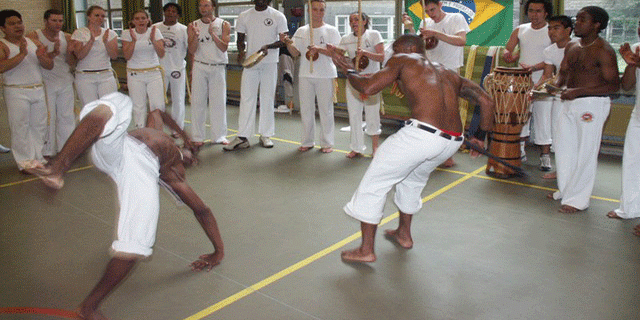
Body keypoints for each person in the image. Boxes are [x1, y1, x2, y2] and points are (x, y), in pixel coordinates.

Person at [27, 92, 224, 319]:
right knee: (120, 103)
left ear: (189, 164)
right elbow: (157, 113)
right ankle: (57, 168)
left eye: (192, 158)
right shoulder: (161, 134)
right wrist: (185, 135)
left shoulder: (173, 174)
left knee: (137, 243)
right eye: (191, 153)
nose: (191, 156)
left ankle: (88, 307)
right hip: (119, 146)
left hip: (139, 169)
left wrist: (218, 251)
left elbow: (202, 210)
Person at [332, 34, 494, 263]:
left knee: (374, 183)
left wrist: (349, 69)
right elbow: (486, 101)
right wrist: (479, 136)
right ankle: (404, 234)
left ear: (408, 48)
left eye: (394, 49)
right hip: (451, 142)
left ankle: (366, 250)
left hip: (422, 136)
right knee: (412, 180)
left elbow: (368, 88)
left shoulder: (404, 59)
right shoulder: (448, 72)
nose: (391, 55)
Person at [548, 6, 620, 213]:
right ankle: (566, 190)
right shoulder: (572, 46)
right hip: (569, 101)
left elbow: (614, 85)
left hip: (592, 104)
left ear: (596, 25)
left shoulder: (604, 50)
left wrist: (578, 91)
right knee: (564, 149)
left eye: (582, 20)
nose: (576, 23)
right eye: (577, 19)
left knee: (585, 152)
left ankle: (578, 200)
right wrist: (549, 87)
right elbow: (562, 75)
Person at [403, 0, 470, 167]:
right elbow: (422, 46)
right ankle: (432, 151)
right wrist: (411, 29)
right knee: (432, 112)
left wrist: (435, 33)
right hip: (431, 70)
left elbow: (461, 41)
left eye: (433, 9)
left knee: (448, 112)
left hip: (450, 70)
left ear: (440, 4)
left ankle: (448, 155)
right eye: (427, 11)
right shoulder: (427, 22)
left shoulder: (455, 18)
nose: (431, 14)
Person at [225, 0, 288, 150]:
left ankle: (265, 135)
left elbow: (284, 41)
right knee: (247, 98)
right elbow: (240, 39)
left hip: (270, 63)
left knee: (267, 98)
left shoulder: (278, 16)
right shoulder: (244, 16)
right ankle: (243, 137)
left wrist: (268, 46)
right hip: (250, 63)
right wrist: (241, 52)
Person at [284, 0, 341, 153]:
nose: (318, 13)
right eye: (315, 9)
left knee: (326, 109)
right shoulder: (302, 31)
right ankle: (307, 141)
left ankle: (327, 143)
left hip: (325, 74)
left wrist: (319, 50)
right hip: (305, 74)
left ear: (324, 11)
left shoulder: (332, 30)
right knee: (306, 109)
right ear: (309, 11)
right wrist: (288, 42)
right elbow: (295, 53)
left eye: (321, 10)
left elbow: (337, 53)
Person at [0, 10, 53, 171]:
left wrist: (43, 56)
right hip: (16, 91)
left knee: (39, 125)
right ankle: (25, 162)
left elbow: (49, 66)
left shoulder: (32, 41)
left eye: (19, 22)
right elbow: (2, 67)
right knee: (20, 127)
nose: (18, 26)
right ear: (3, 28)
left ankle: (38, 157)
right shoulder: (3, 45)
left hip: (37, 88)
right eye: (12, 23)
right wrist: (22, 53)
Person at [503, 0, 552, 168]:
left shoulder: (552, 31)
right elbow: (508, 49)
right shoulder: (520, 29)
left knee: (544, 120)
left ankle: (545, 156)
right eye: (531, 10)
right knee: (521, 118)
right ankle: (520, 150)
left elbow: (556, 58)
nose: (534, 14)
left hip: (545, 81)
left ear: (546, 13)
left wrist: (535, 68)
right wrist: (508, 54)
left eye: (538, 11)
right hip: (522, 82)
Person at [328, 12, 384, 158]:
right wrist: (331, 51)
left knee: (372, 114)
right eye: (351, 20)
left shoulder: (374, 35)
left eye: (357, 19)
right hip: (354, 80)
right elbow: (338, 56)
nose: (353, 22)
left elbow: (381, 57)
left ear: (365, 21)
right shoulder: (346, 39)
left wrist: (365, 53)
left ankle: (375, 146)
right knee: (354, 114)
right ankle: (357, 147)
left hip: (371, 80)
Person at [27, 9, 76, 158]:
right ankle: (47, 150)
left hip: (65, 80)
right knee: (48, 117)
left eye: (60, 21)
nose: (58, 24)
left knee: (67, 116)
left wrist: (70, 52)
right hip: (46, 81)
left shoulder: (66, 37)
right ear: (46, 21)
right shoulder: (34, 36)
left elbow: (71, 62)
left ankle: (66, 148)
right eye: (54, 20)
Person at [532, 15, 573, 180]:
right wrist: (535, 91)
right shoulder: (549, 50)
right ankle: (561, 171)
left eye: (556, 28)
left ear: (568, 30)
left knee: (571, 135)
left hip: (578, 96)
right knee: (559, 133)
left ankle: (572, 173)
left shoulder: (578, 46)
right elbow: (547, 76)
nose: (551, 32)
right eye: (550, 28)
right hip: (559, 95)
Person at [607, 20, 640, 222]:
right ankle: (629, 208)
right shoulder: (636, 48)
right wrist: (631, 66)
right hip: (638, 115)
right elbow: (627, 86)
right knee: (631, 162)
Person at [188, 0, 231, 148]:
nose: (203, 8)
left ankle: (219, 136)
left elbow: (224, 47)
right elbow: (192, 50)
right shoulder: (193, 25)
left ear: (213, 7)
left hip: (218, 67)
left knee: (218, 102)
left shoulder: (224, 24)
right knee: (197, 102)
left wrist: (213, 34)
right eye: (200, 6)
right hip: (200, 66)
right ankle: (197, 136)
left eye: (206, 5)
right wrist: (195, 36)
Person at [121, 10, 165, 128]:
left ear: (147, 20)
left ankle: (157, 131)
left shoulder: (155, 32)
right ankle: (140, 130)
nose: (140, 21)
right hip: (135, 74)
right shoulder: (127, 33)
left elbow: (161, 53)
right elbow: (127, 56)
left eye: (143, 18)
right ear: (133, 21)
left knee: (157, 105)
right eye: (137, 18)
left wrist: (154, 40)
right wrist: (134, 41)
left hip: (153, 73)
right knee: (138, 105)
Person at [70, 5, 118, 106]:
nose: (100, 18)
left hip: (105, 75)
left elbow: (114, 56)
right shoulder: (79, 33)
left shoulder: (110, 33)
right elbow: (79, 56)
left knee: (107, 108)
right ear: (89, 17)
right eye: (96, 15)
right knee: (90, 110)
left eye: (102, 16)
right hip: (85, 77)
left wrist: (106, 42)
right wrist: (91, 41)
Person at [154, 3, 188, 132]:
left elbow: (190, 48)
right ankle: (157, 128)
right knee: (158, 100)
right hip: (159, 68)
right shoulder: (155, 28)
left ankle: (177, 129)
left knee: (178, 100)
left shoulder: (184, 29)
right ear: (164, 12)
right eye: (168, 10)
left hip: (177, 68)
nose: (170, 13)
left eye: (174, 11)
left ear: (178, 15)